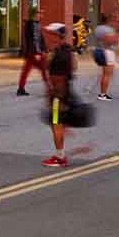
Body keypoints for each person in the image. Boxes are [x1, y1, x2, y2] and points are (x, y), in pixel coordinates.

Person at [41, 25, 81, 166]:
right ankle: (60, 153)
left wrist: (54, 97)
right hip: (64, 93)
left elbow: (57, 77)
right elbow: (73, 69)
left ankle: (60, 157)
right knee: (58, 123)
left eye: (52, 34)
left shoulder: (59, 54)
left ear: (58, 36)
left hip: (58, 96)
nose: (49, 37)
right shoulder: (68, 51)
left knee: (56, 123)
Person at [15, 15, 53, 96]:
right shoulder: (32, 25)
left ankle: (21, 89)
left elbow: (40, 39)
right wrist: (37, 52)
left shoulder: (34, 24)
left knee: (26, 71)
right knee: (43, 71)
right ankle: (50, 89)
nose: (40, 15)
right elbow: (33, 40)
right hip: (34, 53)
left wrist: (45, 50)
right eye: (39, 13)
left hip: (33, 53)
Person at [90, 17, 118, 100]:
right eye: (114, 20)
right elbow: (109, 41)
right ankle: (103, 94)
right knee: (107, 74)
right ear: (108, 21)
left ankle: (101, 92)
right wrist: (115, 38)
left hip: (98, 50)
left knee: (104, 73)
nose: (115, 22)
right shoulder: (109, 30)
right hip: (107, 52)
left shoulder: (98, 28)